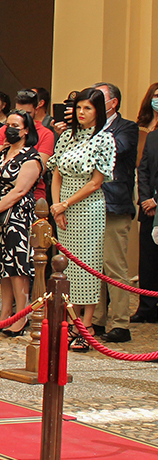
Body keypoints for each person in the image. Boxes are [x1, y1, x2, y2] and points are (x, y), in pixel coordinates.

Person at [47, 88, 115, 351]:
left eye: (87, 108)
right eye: (78, 108)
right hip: (62, 205)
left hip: (87, 207)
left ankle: (84, 327)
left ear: (98, 110)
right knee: (66, 266)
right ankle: (67, 320)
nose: (82, 113)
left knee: (87, 265)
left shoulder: (104, 139)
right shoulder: (67, 136)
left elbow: (96, 182)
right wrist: (57, 206)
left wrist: (66, 203)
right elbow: (56, 173)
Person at [0, 110, 43, 335]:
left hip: (17, 215)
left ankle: (21, 314)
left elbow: (20, 190)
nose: (10, 129)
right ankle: (5, 312)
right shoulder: (1, 154)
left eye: (16, 125)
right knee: (1, 264)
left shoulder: (31, 157)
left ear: (26, 130)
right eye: (8, 124)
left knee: (16, 266)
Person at [91, 82, 138, 344]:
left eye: (99, 98)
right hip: (89, 205)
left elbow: (117, 149)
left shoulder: (127, 128)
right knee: (93, 265)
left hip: (114, 204)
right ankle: (96, 318)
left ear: (113, 103)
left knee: (114, 265)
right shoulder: (87, 130)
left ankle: (121, 323)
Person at [5, 89, 56, 202]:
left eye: (27, 113)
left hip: (32, 195)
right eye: (18, 112)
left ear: (36, 110)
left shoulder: (46, 134)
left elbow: (39, 170)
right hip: (2, 192)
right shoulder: (5, 130)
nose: (22, 117)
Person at [134, 86, 158, 323]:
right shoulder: (152, 136)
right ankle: (147, 307)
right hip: (149, 208)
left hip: (157, 202)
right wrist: (145, 199)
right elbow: (144, 170)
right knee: (148, 260)